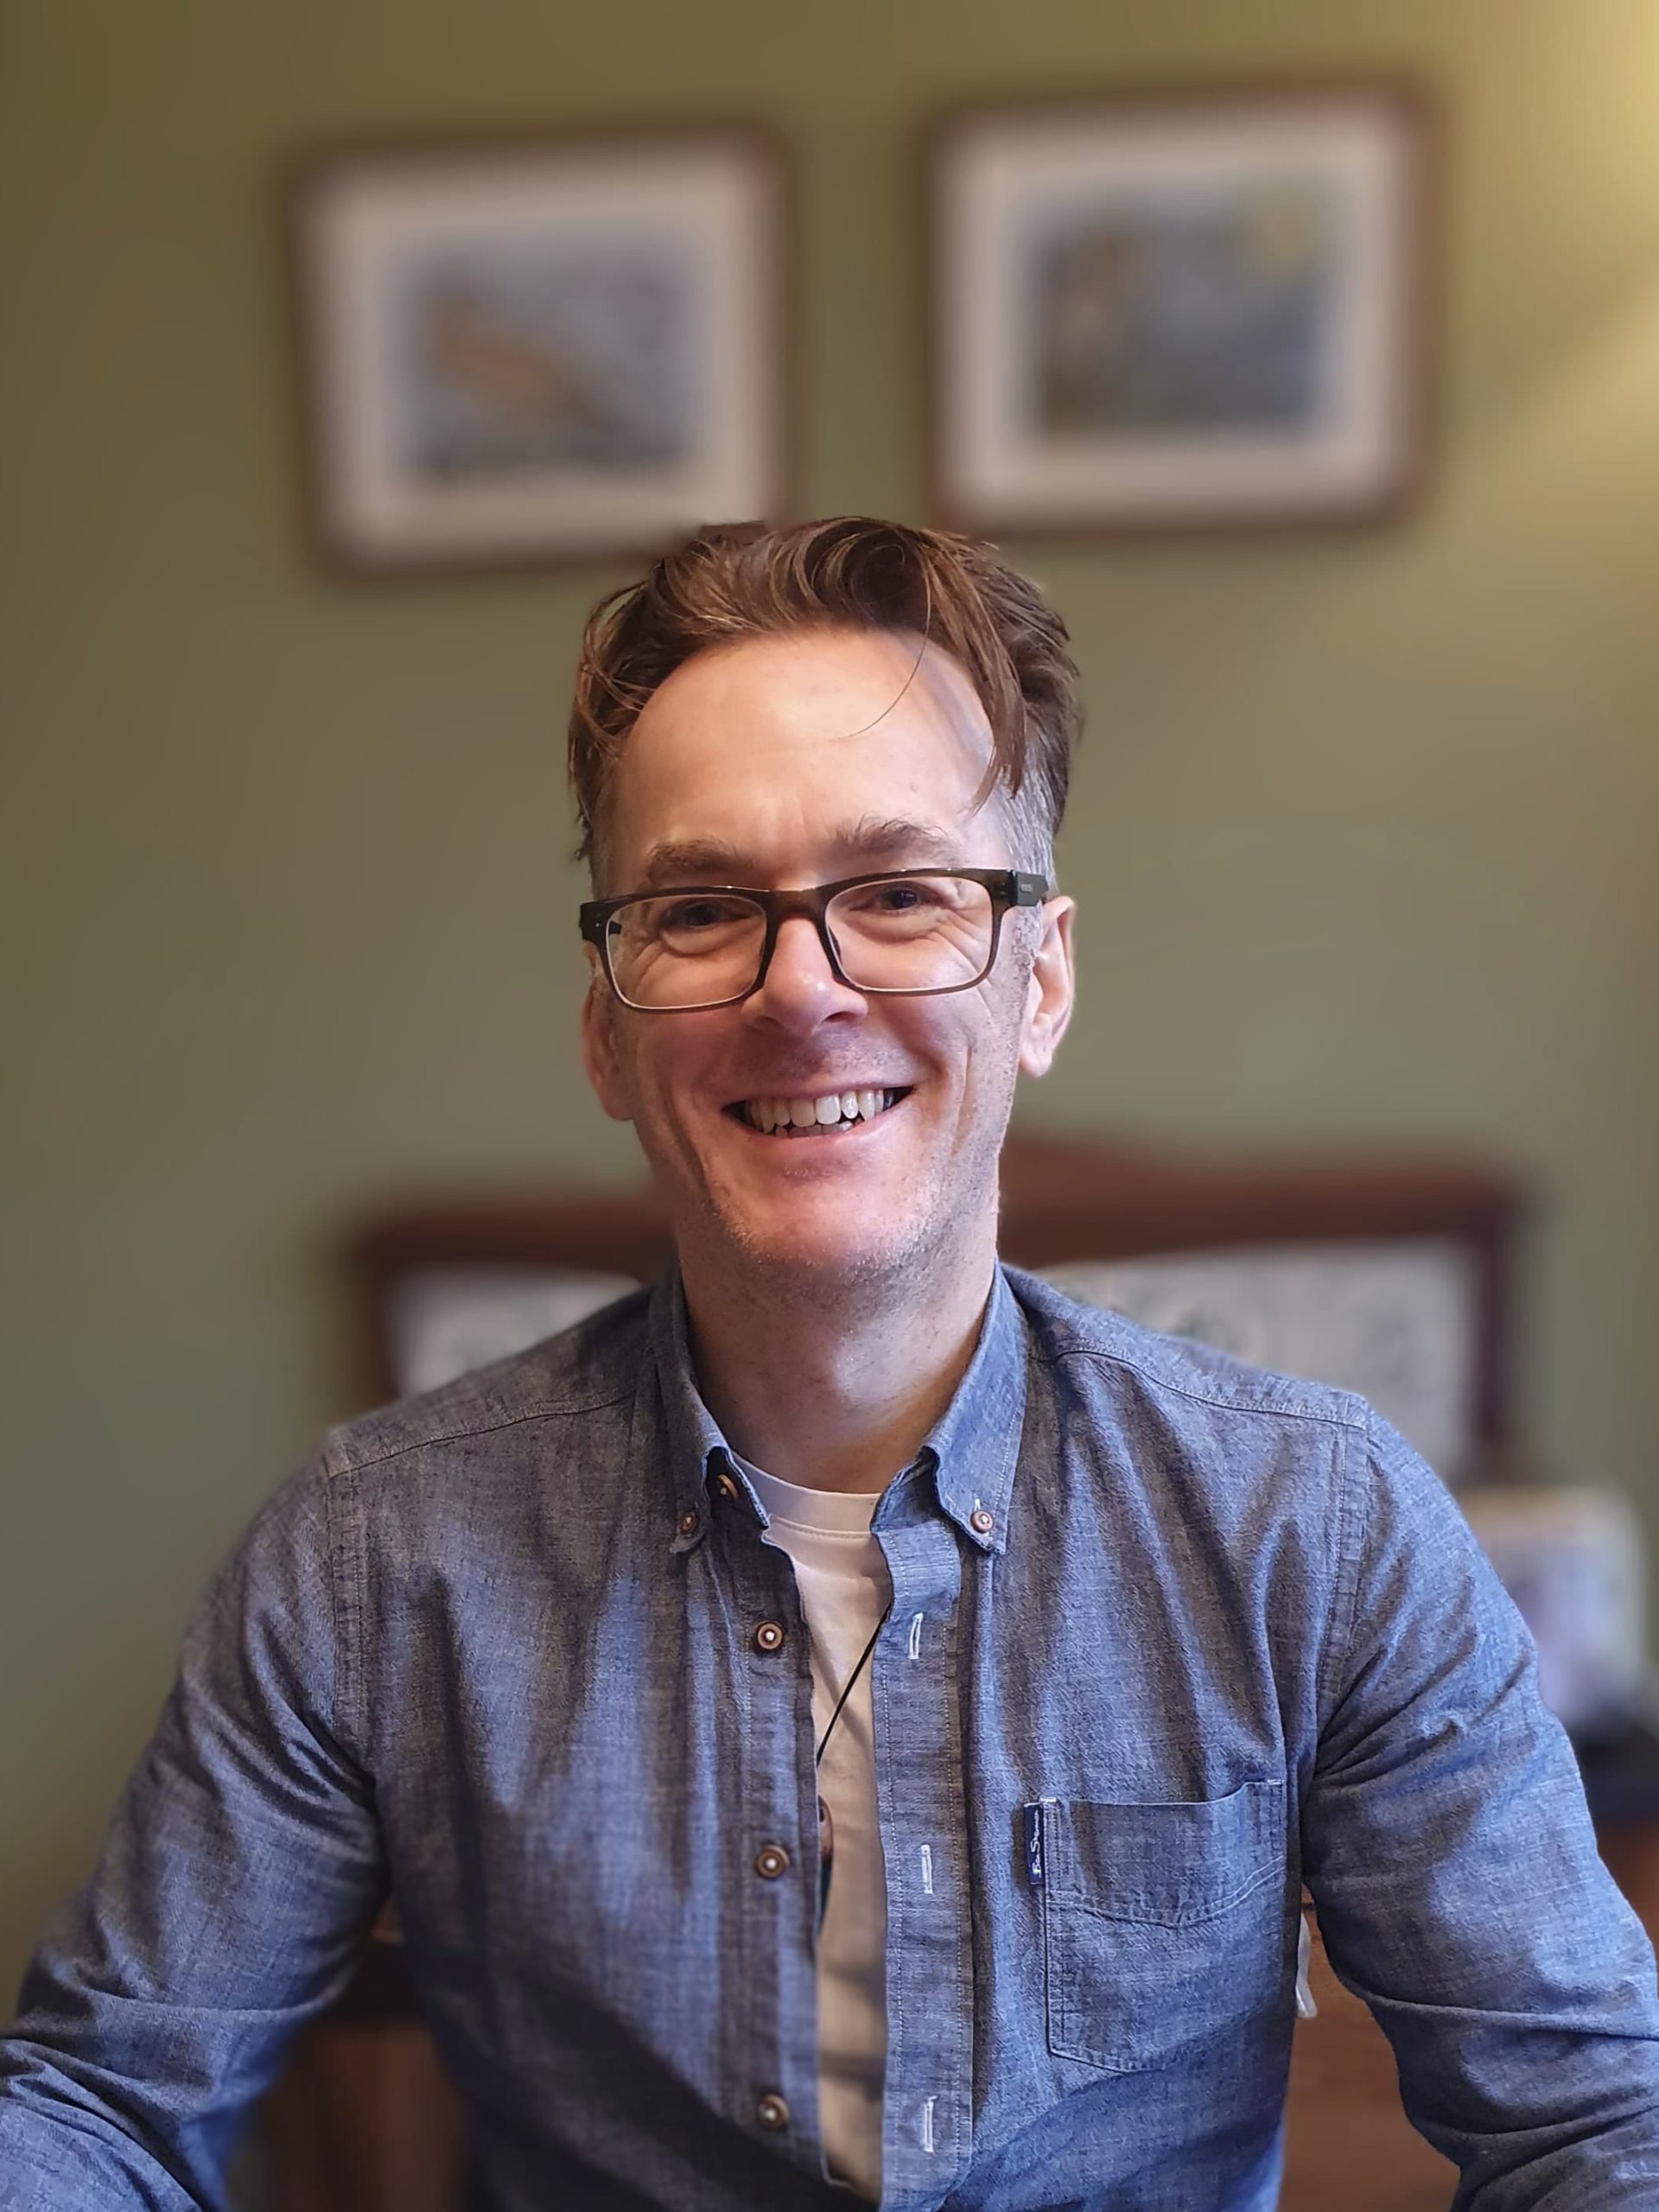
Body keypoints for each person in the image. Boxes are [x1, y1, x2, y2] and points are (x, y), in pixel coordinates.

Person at [3, 517, 1657, 2212]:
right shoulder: (368, 1558)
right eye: (703, 906)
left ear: (1041, 977)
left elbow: (1593, 2125)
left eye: (900, 893)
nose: (804, 989)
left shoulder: (1317, 1519)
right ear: (603, 1021)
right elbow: (106, 2099)